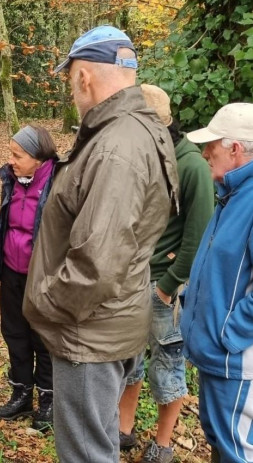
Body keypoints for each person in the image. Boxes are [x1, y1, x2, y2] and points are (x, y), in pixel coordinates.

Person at [22, 26, 179, 463]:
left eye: (70, 77)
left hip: (88, 331)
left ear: (84, 76)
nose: (72, 88)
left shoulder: (117, 146)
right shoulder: (138, 128)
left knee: (86, 453)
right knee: (100, 441)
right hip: (111, 318)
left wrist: (44, 304)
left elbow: (96, 261)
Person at [117, 85, 215, 462]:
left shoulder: (190, 165)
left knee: (168, 365)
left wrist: (168, 286)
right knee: (129, 359)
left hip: (163, 288)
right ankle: (123, 430)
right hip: (132, 280)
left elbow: (199, 234)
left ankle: (163, 443)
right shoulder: (143, 157)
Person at [180, 103, 253, 463]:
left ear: (235, 149)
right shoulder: (233, 194)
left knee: (237, 451)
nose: (205, 152)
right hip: (217, 358)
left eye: (213, 146)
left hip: (237, 364)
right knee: (221, 445)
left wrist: (230, 333)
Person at [0, 125, 58, 431]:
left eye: (18, 155)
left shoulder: (59, 182)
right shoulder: (12, 180)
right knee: (14, 332)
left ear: (39, 158)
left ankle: (49, 401)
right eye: (10, 154)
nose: (11, 161)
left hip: (43, 276)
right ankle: (21, 395)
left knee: (42, 337)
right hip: (12, 271)